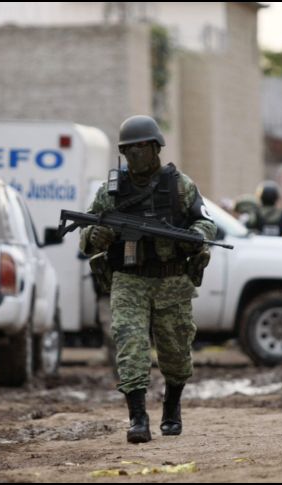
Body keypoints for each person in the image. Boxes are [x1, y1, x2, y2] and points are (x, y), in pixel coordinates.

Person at [79, 115, 217, 444]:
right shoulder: (111, 191)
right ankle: (137, 418)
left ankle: (171, 405)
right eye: (130, 149)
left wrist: (195, 236)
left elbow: (207, 224)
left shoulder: (179, 185)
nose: (137, 154)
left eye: (142, 147)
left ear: (156, 147)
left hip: (171, 279)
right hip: (128, 280)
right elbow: (84, 238)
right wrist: (97, 236)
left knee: (176, 352)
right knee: (130, 346)